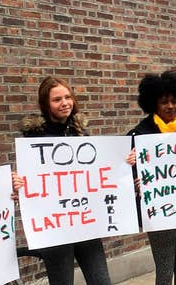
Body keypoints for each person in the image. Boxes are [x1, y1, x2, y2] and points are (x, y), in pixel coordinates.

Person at [18, 76, 111, 285]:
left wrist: (122, 163)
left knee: (102, 281)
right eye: (57, 99)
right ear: (45, 105)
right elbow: (31, 179)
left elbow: (98, 172)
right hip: (56, 229)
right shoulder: (33, 138)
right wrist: (18, 183)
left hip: (85, 222)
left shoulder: (81, 133)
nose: (65, 103)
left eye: (68, 97)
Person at [126, 71, 176, 285]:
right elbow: (127, 171)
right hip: (160, 210)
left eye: (174, 101)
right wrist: (135, 178)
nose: (170, 106)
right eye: (164, 102)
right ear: (153, 104)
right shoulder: (139, 134)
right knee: (165, 271)